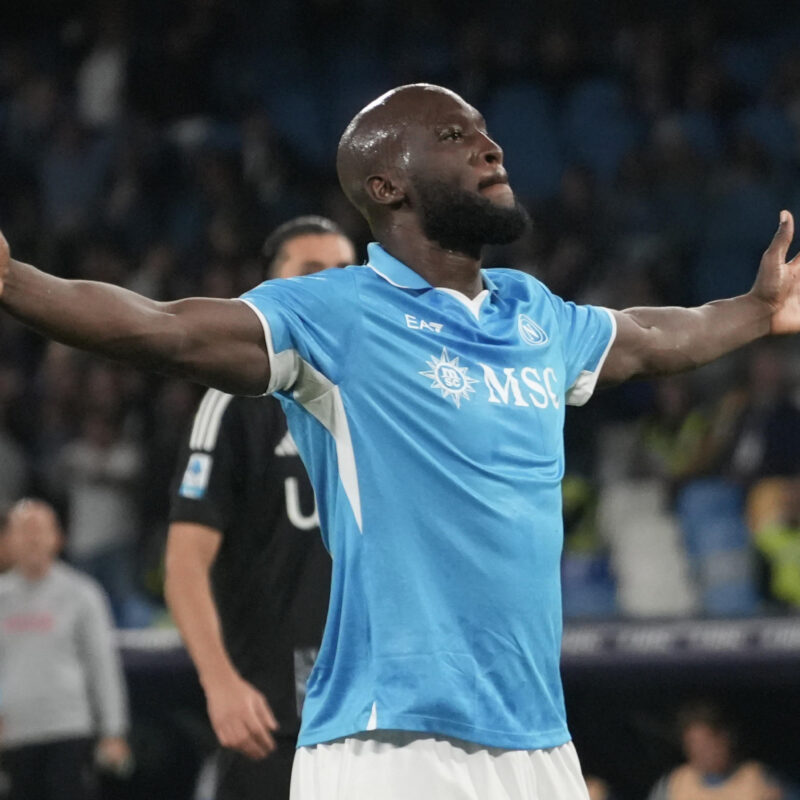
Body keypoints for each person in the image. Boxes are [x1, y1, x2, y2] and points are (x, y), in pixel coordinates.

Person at [1, 83, 800, 799]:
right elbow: (166, 330)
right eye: (454, 137)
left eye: (485, 129)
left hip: (536, 739)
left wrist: (755, 312)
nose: (488, 145)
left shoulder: (532, 312)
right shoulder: (336, 314)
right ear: (387, 186)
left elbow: (648, 337)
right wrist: (13, 283)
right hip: (389, 740)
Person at [164, 216, 355, 799]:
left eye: (346, 272)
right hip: (275, 715)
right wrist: (220, 682)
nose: (332, 285)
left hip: (382, 708)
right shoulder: (237, 401)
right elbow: (185, 561)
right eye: (311, 271)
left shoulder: (392, 392)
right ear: (272, 289)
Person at [0, 499, 131, 800]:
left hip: (69, 728)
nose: (32, 539)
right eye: (22, 530)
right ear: (7, 540)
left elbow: (103, 666)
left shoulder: (82, 594)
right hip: (16, 733)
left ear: (58, 538)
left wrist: (114, 730)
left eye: (39, 530)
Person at [646, 701, 796, 800]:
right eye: (694, 745)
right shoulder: (673, 785)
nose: (702, 753)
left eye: (707, 744)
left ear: (726, 739)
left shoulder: (760, 780)